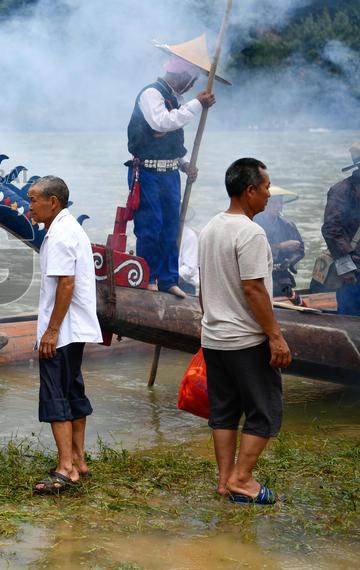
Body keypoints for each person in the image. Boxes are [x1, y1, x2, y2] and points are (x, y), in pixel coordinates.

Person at [198, 158, 292, 505]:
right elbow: (254, 289)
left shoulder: (210, 228)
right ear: (249, 191)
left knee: (223, 411)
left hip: (214, 337)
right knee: (265, 412)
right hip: (246, 340)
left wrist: (211, 321)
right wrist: (275, 336)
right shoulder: (251, 232)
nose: (268, 194)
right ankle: (242, 479)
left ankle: (225, 482)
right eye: (265, 187)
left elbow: (203, 289)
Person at [126, 35, 224, 298]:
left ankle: (168, 279)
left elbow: (167, 139)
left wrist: (183, 164)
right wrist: (197, 104)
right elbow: (161, 123)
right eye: (192, 79)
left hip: (169, 173)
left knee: (172, 226)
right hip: (146, 172)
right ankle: (147, 278)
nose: (193, 85)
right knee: (151, 225)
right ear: (183, 75)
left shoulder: (176, 99)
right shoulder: (151, 94)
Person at [25, 177, 103, 494]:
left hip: (63, 330)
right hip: (74, 328)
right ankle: (78, 460)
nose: (29, 206)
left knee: (56, 394)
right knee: (72, 391)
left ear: (53, 201)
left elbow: (66, 284)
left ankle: (65, 468)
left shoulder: (59, 235)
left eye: (33, 200)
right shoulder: (68, 228)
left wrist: (51, 331)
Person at [321, 143, 360, 315]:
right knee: (350, 317)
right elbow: (331, 229)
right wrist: (345, 265)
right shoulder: (341, 191)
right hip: (353, 270)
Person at [254, 185, 304, 301]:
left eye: (280, 203)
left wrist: (289, 261)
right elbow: (254, 250)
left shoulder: (287, 225)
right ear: (264, 204)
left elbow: (300, 251)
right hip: (259, 276)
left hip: (281, 276)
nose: (277, 206)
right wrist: (281, 246)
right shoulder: (254, 223)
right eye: (273, 203)